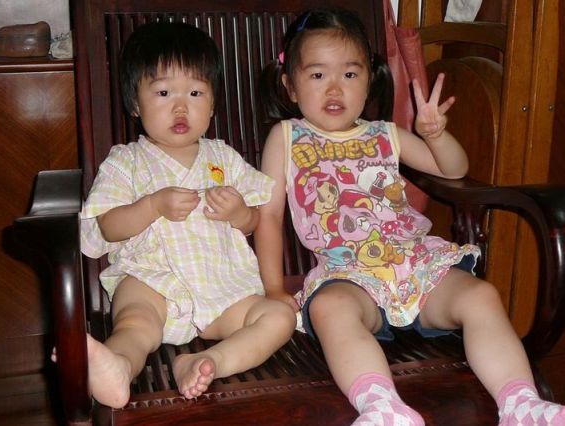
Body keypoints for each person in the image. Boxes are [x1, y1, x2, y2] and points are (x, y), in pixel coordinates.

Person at [255, 7, 565, 426]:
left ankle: (521, 405)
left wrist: (436, 136)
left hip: (414, 263)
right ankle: (383, 408)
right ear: (290, 86)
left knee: (480, 296)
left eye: (350, 73)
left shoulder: (386, 134)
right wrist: (274, 288)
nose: (335, 87)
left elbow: (453, 169)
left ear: (370, 80)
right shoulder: (288, 137)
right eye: (318, 74)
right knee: (330, 309)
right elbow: (269, 216)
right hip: (349, 275)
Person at [78, 21, 296, 409]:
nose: (181, 107)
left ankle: (209, 361)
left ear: (211, 104)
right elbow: (108, 226)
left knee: (279, 316)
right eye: (163, 92)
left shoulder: (224, 158)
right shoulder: (126, 162)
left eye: (195, 93)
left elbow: (253, 221)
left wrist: (239, 213)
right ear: (135, 103)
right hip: (151, 281)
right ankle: (119, 367)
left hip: (222, 285)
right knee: (135, 323)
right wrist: (151, 206)